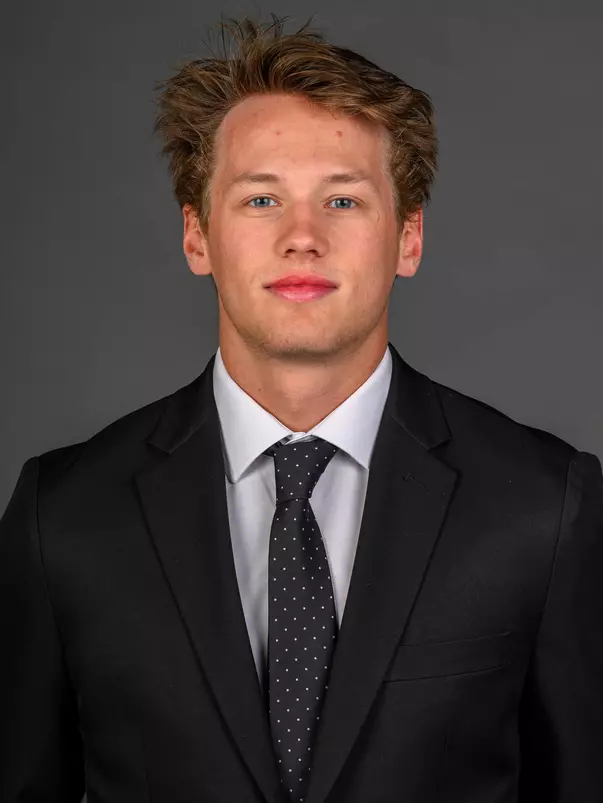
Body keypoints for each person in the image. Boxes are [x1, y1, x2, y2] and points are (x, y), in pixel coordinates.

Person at [1, 13, 602, 803]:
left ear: (408, 238)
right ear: (197, 236)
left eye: (344, 202)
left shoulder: (542, 503)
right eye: (259, 199)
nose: (302, 237)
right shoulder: (64, 515)